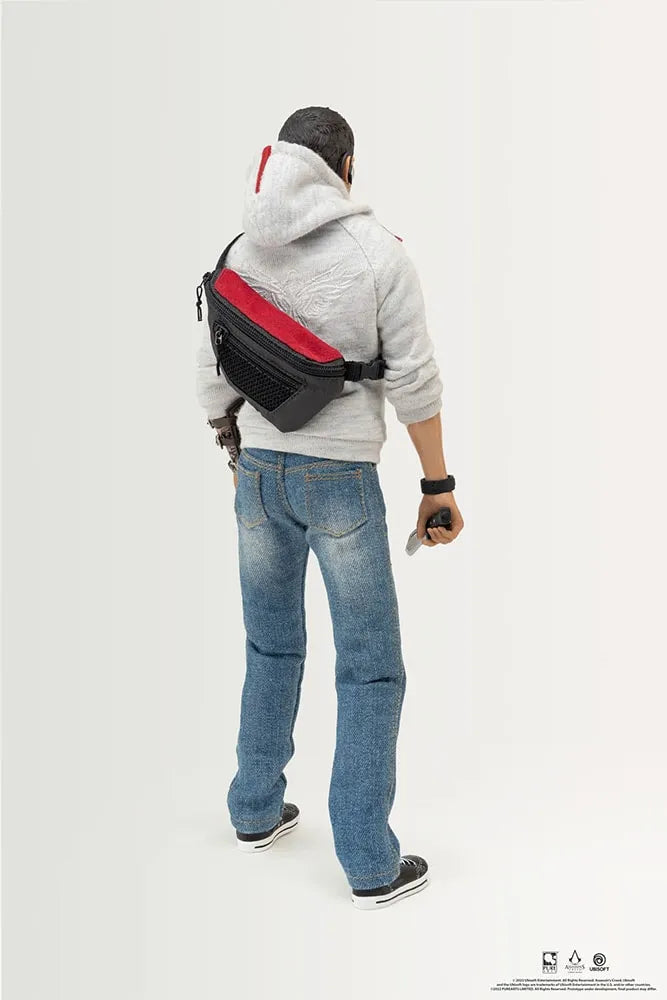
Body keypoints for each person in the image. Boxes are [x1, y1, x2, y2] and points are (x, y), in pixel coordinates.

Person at [195, 106, 464, 909]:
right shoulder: (378, 252)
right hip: (340, 479)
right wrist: (437, 486)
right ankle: (368, 860)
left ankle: (253, 810)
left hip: (256, 472)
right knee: (370, 666)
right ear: (344, 167)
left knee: (269, 646)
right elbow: (413, 380)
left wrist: (236, 450)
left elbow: (211, 371)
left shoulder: (239, 249)